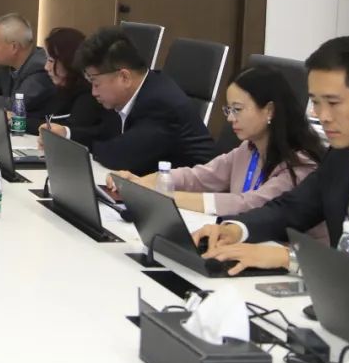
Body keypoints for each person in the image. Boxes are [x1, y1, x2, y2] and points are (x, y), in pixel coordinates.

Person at [193, 37, 349, 300]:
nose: (322, 116)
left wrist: (291, 258)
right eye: (315, 102)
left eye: (333, 103)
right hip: (346, 302)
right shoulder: (342, 155)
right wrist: (235, 230)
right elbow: (291, 208)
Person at [107, 66, 326, 236]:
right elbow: (199, 176)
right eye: (229, 109)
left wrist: (167, 197)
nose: (230, 118)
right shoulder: (248, 149)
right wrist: (141, 183)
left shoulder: (300, 164)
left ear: (269, 110)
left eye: (237, 109)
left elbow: (248, 204)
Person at [44, 26, 217, 174]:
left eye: (96, 83)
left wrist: (74, 149)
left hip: (192, 196)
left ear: (124, 77)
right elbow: (105, 134)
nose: (93, 92)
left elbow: (120, 156)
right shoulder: (129, 96)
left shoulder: (161, 103)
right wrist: (66, 134)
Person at [0, 14, 59, 133]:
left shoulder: (40, 69)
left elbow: (16, 104)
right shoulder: (6, 65)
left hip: (34, 135)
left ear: (14, 47)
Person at [36, 27, 108, 136]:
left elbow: (64, 129)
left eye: (51, 60)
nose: (46, 67)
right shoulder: (61, 87)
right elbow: (44, 118)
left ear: (68, 61)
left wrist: (18, 122)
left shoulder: (88, 95)